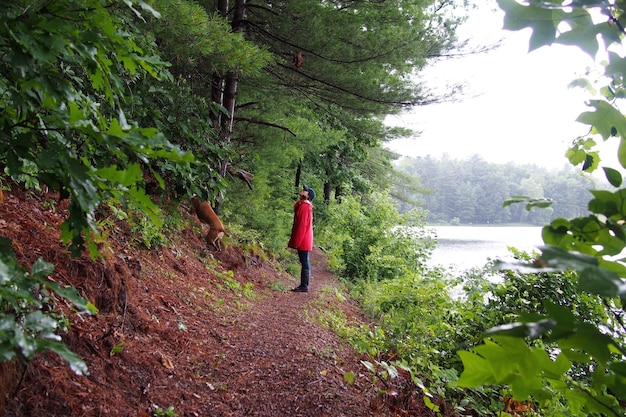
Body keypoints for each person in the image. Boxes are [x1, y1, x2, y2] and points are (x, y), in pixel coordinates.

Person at [287, 185, 315, 292]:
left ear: (308, 196)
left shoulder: (304, 206)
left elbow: (302, 225)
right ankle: (304, 285)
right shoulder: (303, 205)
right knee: (304, 260)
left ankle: (304, 285)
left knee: (304, 261)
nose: (303, 190)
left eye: (305, 190)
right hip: (304, 237)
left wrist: (297, 242)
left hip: (303, 238)